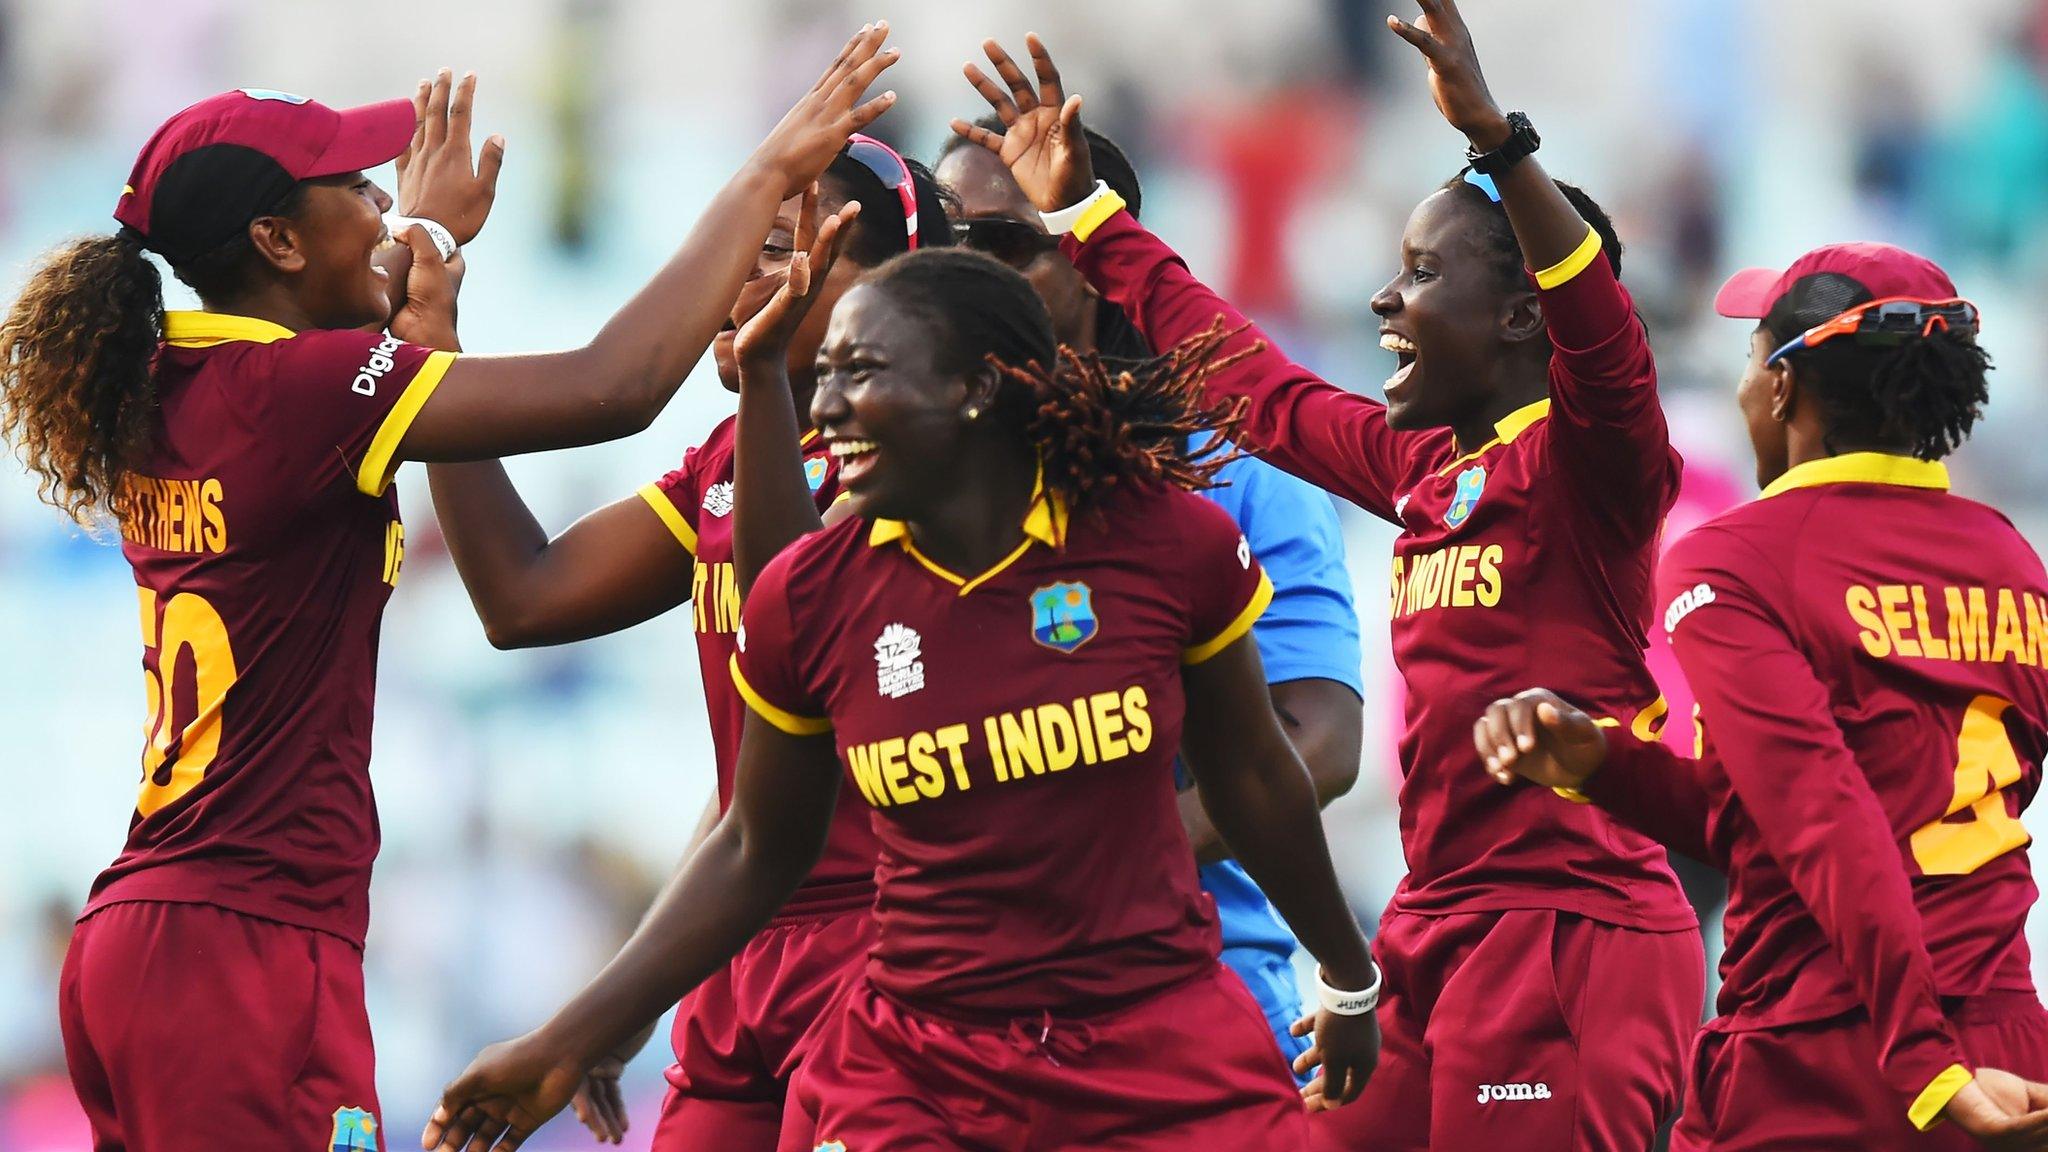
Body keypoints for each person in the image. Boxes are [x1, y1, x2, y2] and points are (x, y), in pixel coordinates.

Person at [1, 31, 896, 1150]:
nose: (382, 199)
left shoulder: (176, 375)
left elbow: (382, 377)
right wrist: (760, 175)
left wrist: (416, 247)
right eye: (352, 186)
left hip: (146, 928)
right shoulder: (302, 392)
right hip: (245, 937)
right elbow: (611, 388)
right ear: (276, 238)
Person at [421, 248, 1382, 1152]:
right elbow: (756, 845)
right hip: (921, 1063)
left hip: (1151, 1032)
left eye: (860, 372)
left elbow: (1259, 777)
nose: (828, 407)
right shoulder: (809, 594)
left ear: (977, 388)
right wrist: (569, 1034)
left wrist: (1345, 978)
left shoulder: (1168, 540)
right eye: (824, 370)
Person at [951, 7, 1702, 1148]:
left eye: (1416, 274)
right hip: (1430, 928)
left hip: (1566, 930)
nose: (1380, 301)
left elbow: (1600, 336)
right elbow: (1246, 379)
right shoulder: (1423, 473)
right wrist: (1082, 215)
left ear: (1517, 313)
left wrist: (1499, 145)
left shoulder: (1593, 464)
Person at [424, 127, 954, 1151]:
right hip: (740, 954)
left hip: (889, 954)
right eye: (738, 247)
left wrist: (585, 1022)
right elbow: (523, 600)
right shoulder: (726, 459)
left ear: (898, 295)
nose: (740, 280)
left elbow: (790, 615)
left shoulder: (921, 472)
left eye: (784, 249)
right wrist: (437, 364)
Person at [1475, 242, 2048, 1149]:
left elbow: (1822, 811)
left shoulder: (1736, 557)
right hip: (2012, 1045)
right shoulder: (2011, 559)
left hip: (1831, 1050)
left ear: (1784, 387)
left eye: (1750, 359)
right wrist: (1606, 766)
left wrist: (1923, 1062)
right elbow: (1804, 814)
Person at [936, 123, 1367, 1073]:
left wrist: (1074, 886)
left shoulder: (1231, 462)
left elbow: (1319, 744)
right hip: (956, 1024)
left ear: (1090, 261)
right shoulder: (903, 483)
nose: (965, 279)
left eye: (1005, 244)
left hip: (1192, 992)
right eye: (942, 245)